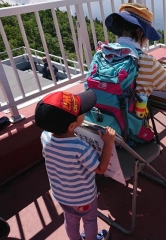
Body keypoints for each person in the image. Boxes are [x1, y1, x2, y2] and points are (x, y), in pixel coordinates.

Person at [35, 90, 115, 240]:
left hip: (61, 195)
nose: (84, 112)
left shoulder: (45, 136)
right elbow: (100, 169)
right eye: (81, 111)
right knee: (90, 220)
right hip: (83, 198)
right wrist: (108, 143)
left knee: (70, 220)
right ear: (72, 126)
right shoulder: (80, 147)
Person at [105, 3, 166, 97]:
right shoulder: (147, 62)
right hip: (130, 112)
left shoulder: (103, 53)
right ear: (141, 32)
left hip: (97, 110)